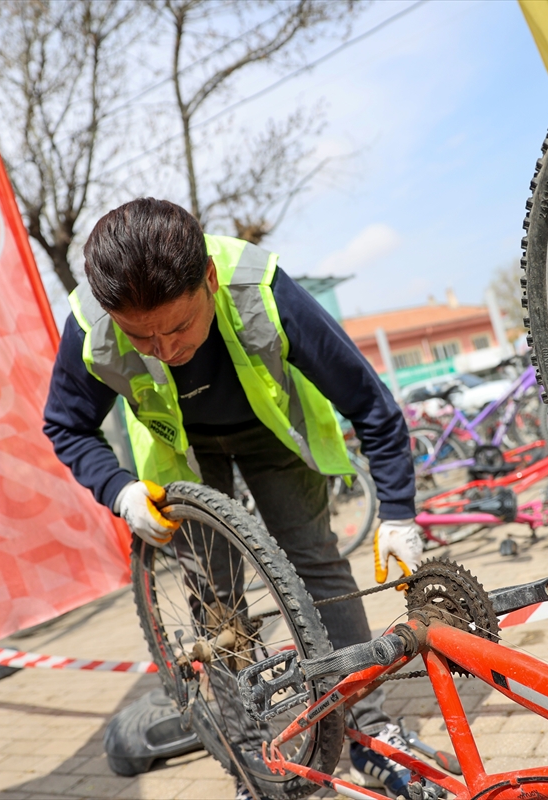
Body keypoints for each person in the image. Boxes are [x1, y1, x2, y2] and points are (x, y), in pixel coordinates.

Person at [43, 198, 427, 799]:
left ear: (210, 281)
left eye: (177, 327)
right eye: (142, 337)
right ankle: (255, 763)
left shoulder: (260, 286)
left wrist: (400, 511)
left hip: (270, 431)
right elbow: (65, 425)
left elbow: (370, 404)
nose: (164, 350)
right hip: (182, 453)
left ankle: (369, 731)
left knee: (319, 567)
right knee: (215, 603)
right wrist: (118, 491)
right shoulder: (91, 322)